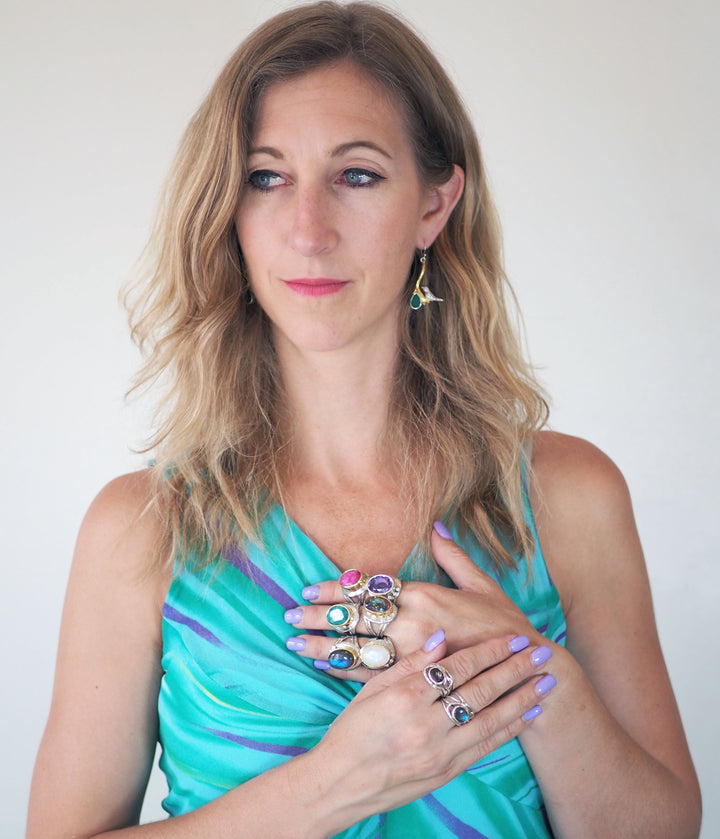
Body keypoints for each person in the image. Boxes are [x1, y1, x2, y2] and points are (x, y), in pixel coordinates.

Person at [27, 2, 701, 837]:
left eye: (357, 175)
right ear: (227, 212)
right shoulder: (140, 532)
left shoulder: (570, 496)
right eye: (266, 177)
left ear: (434, 204)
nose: (308, 231)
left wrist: (529, 673)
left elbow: (663, 825)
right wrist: (340, 781)